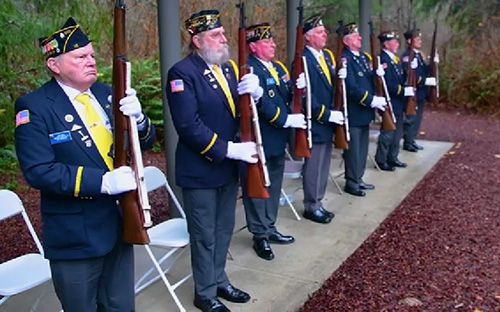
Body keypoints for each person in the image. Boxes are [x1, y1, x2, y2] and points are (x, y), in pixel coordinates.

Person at [14, 17, 156, 312]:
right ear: (54, 65)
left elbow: (143, 144)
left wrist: (140, 121)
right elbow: (39, 170)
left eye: (91, 55)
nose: (91, 61)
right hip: (75, 234)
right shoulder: (35, 106)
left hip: (119, 223)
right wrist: (102, 182)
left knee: (120, 306)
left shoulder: (107, 94)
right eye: (80, 57)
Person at [166, 10, 262, 312]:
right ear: (197, 40)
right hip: (201, 169)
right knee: (204, 234)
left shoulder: (229, 69)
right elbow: (188, 126)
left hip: (227, 168)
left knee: (223, 229)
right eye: (215, 35)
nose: (223, 39)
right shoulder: (182, 73)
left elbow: (236, 113)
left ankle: (219, 280)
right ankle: (204, 293)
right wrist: (230, 150)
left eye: (222, 34)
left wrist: (254, 95)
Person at [242, 22, 305, 261]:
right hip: (261, 136)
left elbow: (285, 96)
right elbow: (258, 104)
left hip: (278, 139)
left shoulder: (277, 68)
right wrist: (285, 120)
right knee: (258, 186)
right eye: (267, 42)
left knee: (274, 184)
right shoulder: (250, 69)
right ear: (254, 46)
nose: (273, 45)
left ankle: (270, 226)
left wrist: (300, 89)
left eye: (272, 41)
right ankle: (259, 235)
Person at [301, 14, 345, 224]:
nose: (324, 34)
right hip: (316, 122)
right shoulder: (303, 60)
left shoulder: (326, 57)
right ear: (308, 37)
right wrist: (327, 114)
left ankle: (318, 201)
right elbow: (305, 96)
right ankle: (311, 206)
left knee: (325, 164)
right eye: (319, 32)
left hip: (327, 122)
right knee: (314, 166)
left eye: (324, 31)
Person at [339, 22, 387, 197]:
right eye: (355, 36)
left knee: (362, 148)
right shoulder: (345, 59)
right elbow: (351, 88)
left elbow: (368, 81)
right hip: (354, 111)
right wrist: (371, 100)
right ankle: (351, 181)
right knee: (353, 150)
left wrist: (378, 74)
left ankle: (358, 177)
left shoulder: (363, 58)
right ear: (346, 41)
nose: (360, 38)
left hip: (365, 112)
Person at [374, 31, 413, 170]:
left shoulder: (394, 59)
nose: (397, 44)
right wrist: (402, 91)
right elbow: (387, 84)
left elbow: (400, 78)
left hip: (398, 102)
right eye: (393, 42)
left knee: (397, 131)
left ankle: (393, 157)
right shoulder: (383, 60)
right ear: (385, 44)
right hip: (389, 101)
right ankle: (381, 159)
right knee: (388, 132)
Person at [402, 28, 437, 152]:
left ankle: (412, 139)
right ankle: (408, 141)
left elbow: (423, 69)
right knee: (411, 118)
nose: (420, 41)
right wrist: (424, 81)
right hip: (413, 92)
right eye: (417, 39)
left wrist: (433, 63)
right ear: (410, 41)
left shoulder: (418, 54)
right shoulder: (407, 56)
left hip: (421, 92)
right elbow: (409, 76)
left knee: (417, 118)